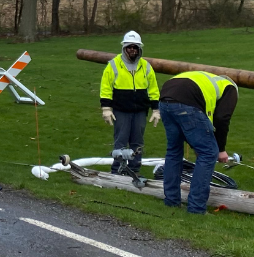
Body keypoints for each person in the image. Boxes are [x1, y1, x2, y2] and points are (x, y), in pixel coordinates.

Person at [158, 70, 238, 214]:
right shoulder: (230, 89)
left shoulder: (207, 82)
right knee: (208, 153)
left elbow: (198, 123)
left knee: (174, 150)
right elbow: (222, 118)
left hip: (165, 100)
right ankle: (196, 208)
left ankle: (171, 201)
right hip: (186, 102)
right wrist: (220, 149)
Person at [100, 31, 160, 176]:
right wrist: (106, 108)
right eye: (129, 47)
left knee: (137, 142)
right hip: (121, 110)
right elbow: (105, 87)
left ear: (139, 49)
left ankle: (134, 170)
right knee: (120, 141)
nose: (132, 50)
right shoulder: (113, 65)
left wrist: (156, 109)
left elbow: (153, 88)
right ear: (124, 48)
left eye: (135, 47)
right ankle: (117, 171)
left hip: (140, 110)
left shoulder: (146, 66)